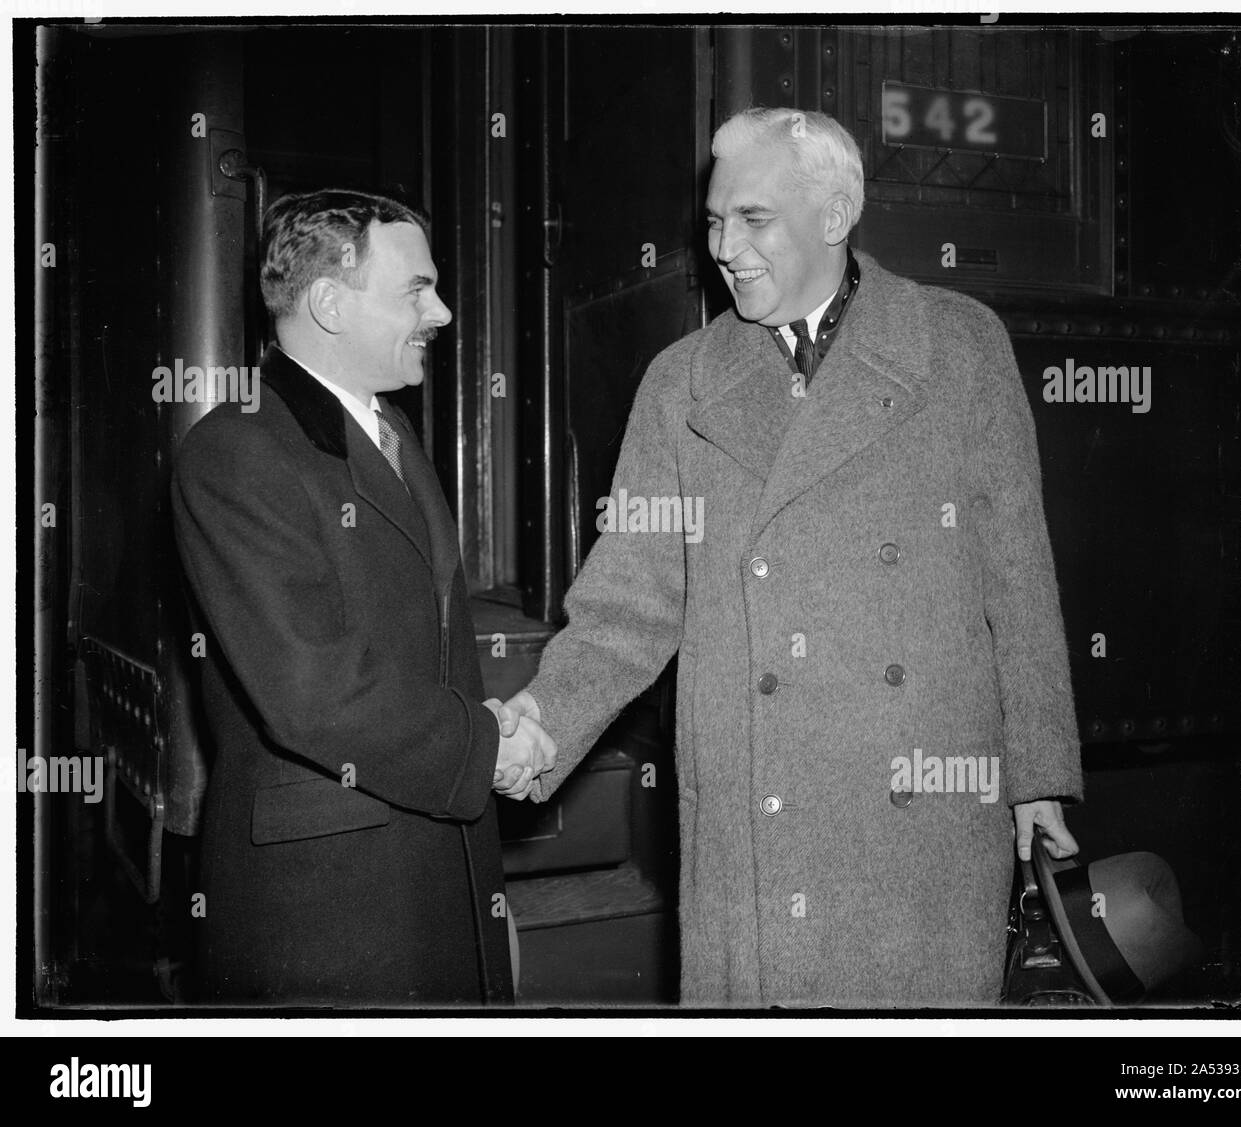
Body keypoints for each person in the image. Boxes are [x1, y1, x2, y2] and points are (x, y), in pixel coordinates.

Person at [493, 109, 1083, 1006]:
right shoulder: (679, 384)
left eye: (754, 219)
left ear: (836, 213)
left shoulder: (959, 345)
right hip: (756, 812)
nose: (725, 246)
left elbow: (1018, 571)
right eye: (715, 221)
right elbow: (629, 602)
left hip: (924, 796)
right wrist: (542, 720)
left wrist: (1038, 773)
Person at [173, 189, 553, 1005]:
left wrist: (483, 898)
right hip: (333, 917)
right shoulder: (235, 452)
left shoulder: (391, 431)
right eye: (417, 288)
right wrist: (487, 749)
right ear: (329, 303)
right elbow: (314, 692)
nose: (443, 312)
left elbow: (431, 654)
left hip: (433, 880)